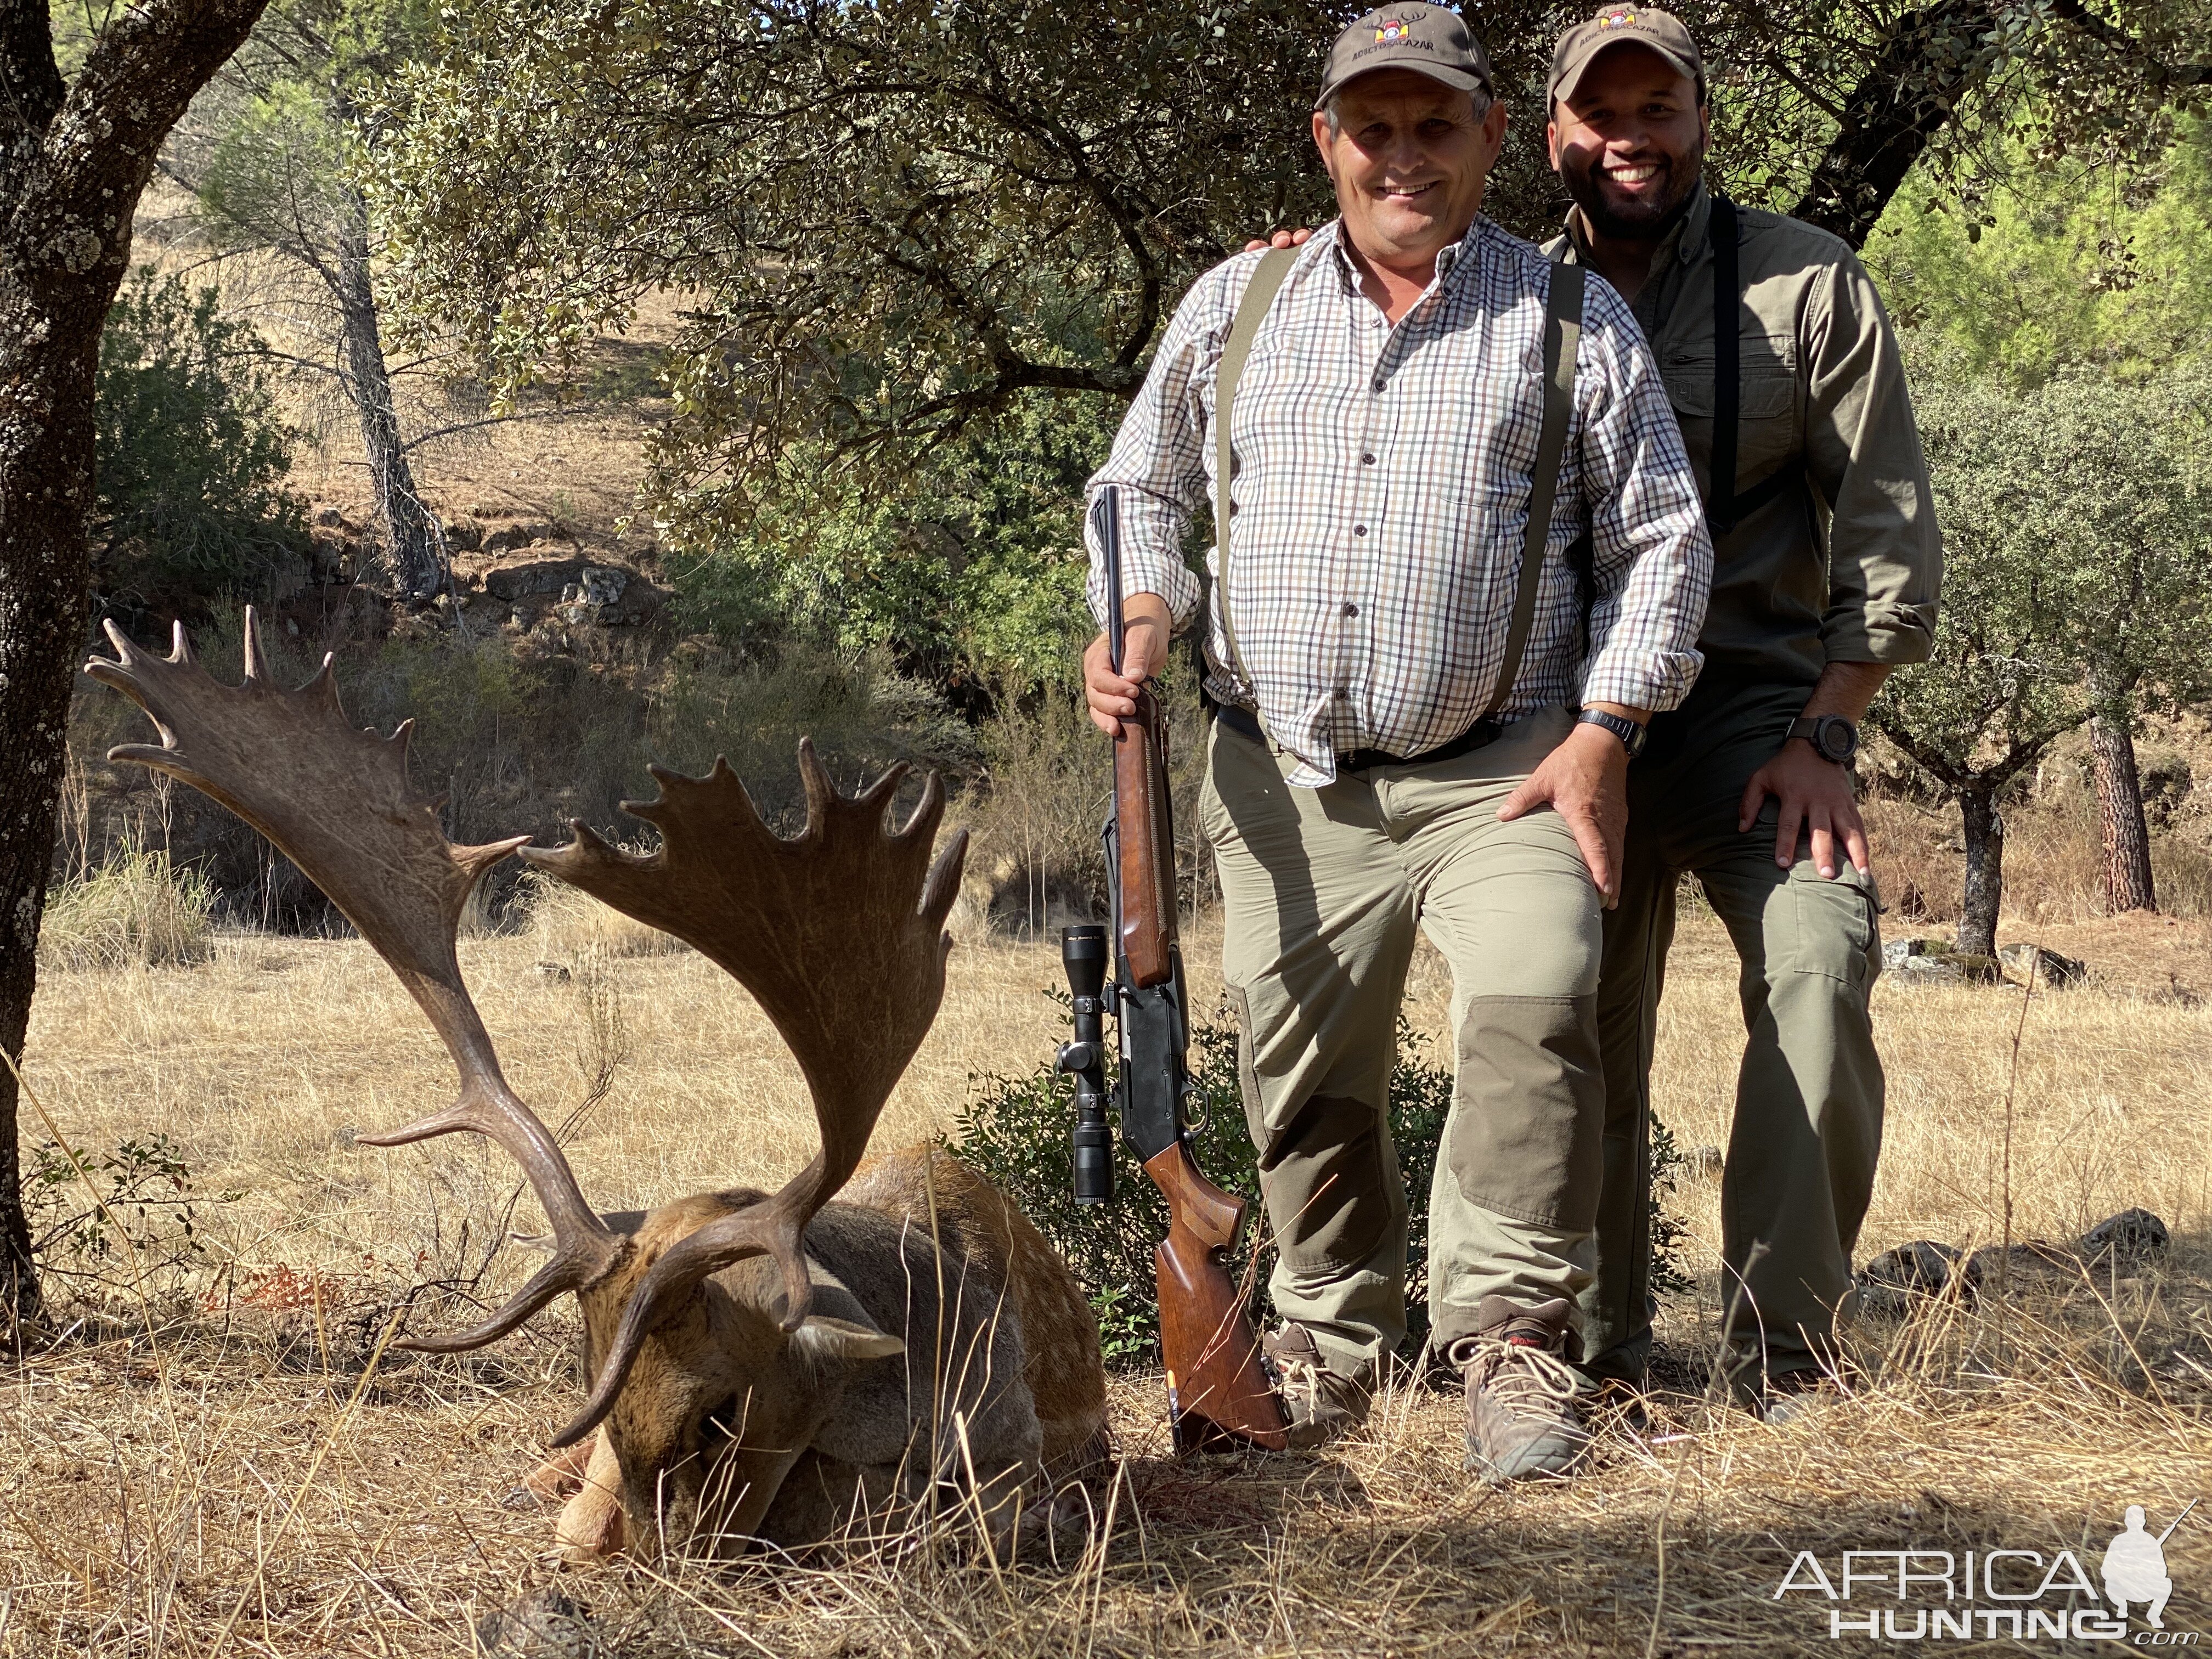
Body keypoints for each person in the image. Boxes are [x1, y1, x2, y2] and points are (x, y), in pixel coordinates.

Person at [1084, 5, 1711, 1481]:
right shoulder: (1240, 304)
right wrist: (1144, 619)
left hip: (1506, 772)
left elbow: (1663, 548)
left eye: (1438, 127)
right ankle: (1327, 1338)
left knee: (1535, 1006)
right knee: (1304, 1075)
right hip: (1283, 780)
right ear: (1329, 143)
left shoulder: (1572, 322)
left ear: (1495, 140)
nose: (1405, 158)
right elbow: (1143, 491)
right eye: (1376, 129)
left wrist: (1608, 728)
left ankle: (1509, 1349)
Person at [1541, 6, 1940, 1414]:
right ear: (1554, 140)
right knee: (1566, 1012)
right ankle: (1584, 1351)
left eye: (1659, 109)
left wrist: (1831, 728)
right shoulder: (1502, 298)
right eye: (1603, 114)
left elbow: (1886, 526)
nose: (1630, 139)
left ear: (1703, 121)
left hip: (1756, 718)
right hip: (1567, 727)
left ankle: (1788, 1344)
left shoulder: (1808, 285)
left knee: (1823, 968)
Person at [2101, 1505, 2174, 1629]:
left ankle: (2154, 1615)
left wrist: (2146, 1571)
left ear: (2144, 1522)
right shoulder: (2118, 1541)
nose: (2135, 1524)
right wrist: (2123, 1573)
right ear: (2126, 1522)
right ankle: (2122, 1606)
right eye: (2131, 1521)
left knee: (2167, 1584)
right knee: (2110, 1584)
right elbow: (2106, 1570)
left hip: (2144, 1588)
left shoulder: (2150, 1541)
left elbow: (2162, 1570)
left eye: (2139, 1521)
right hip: (2122, 1588)